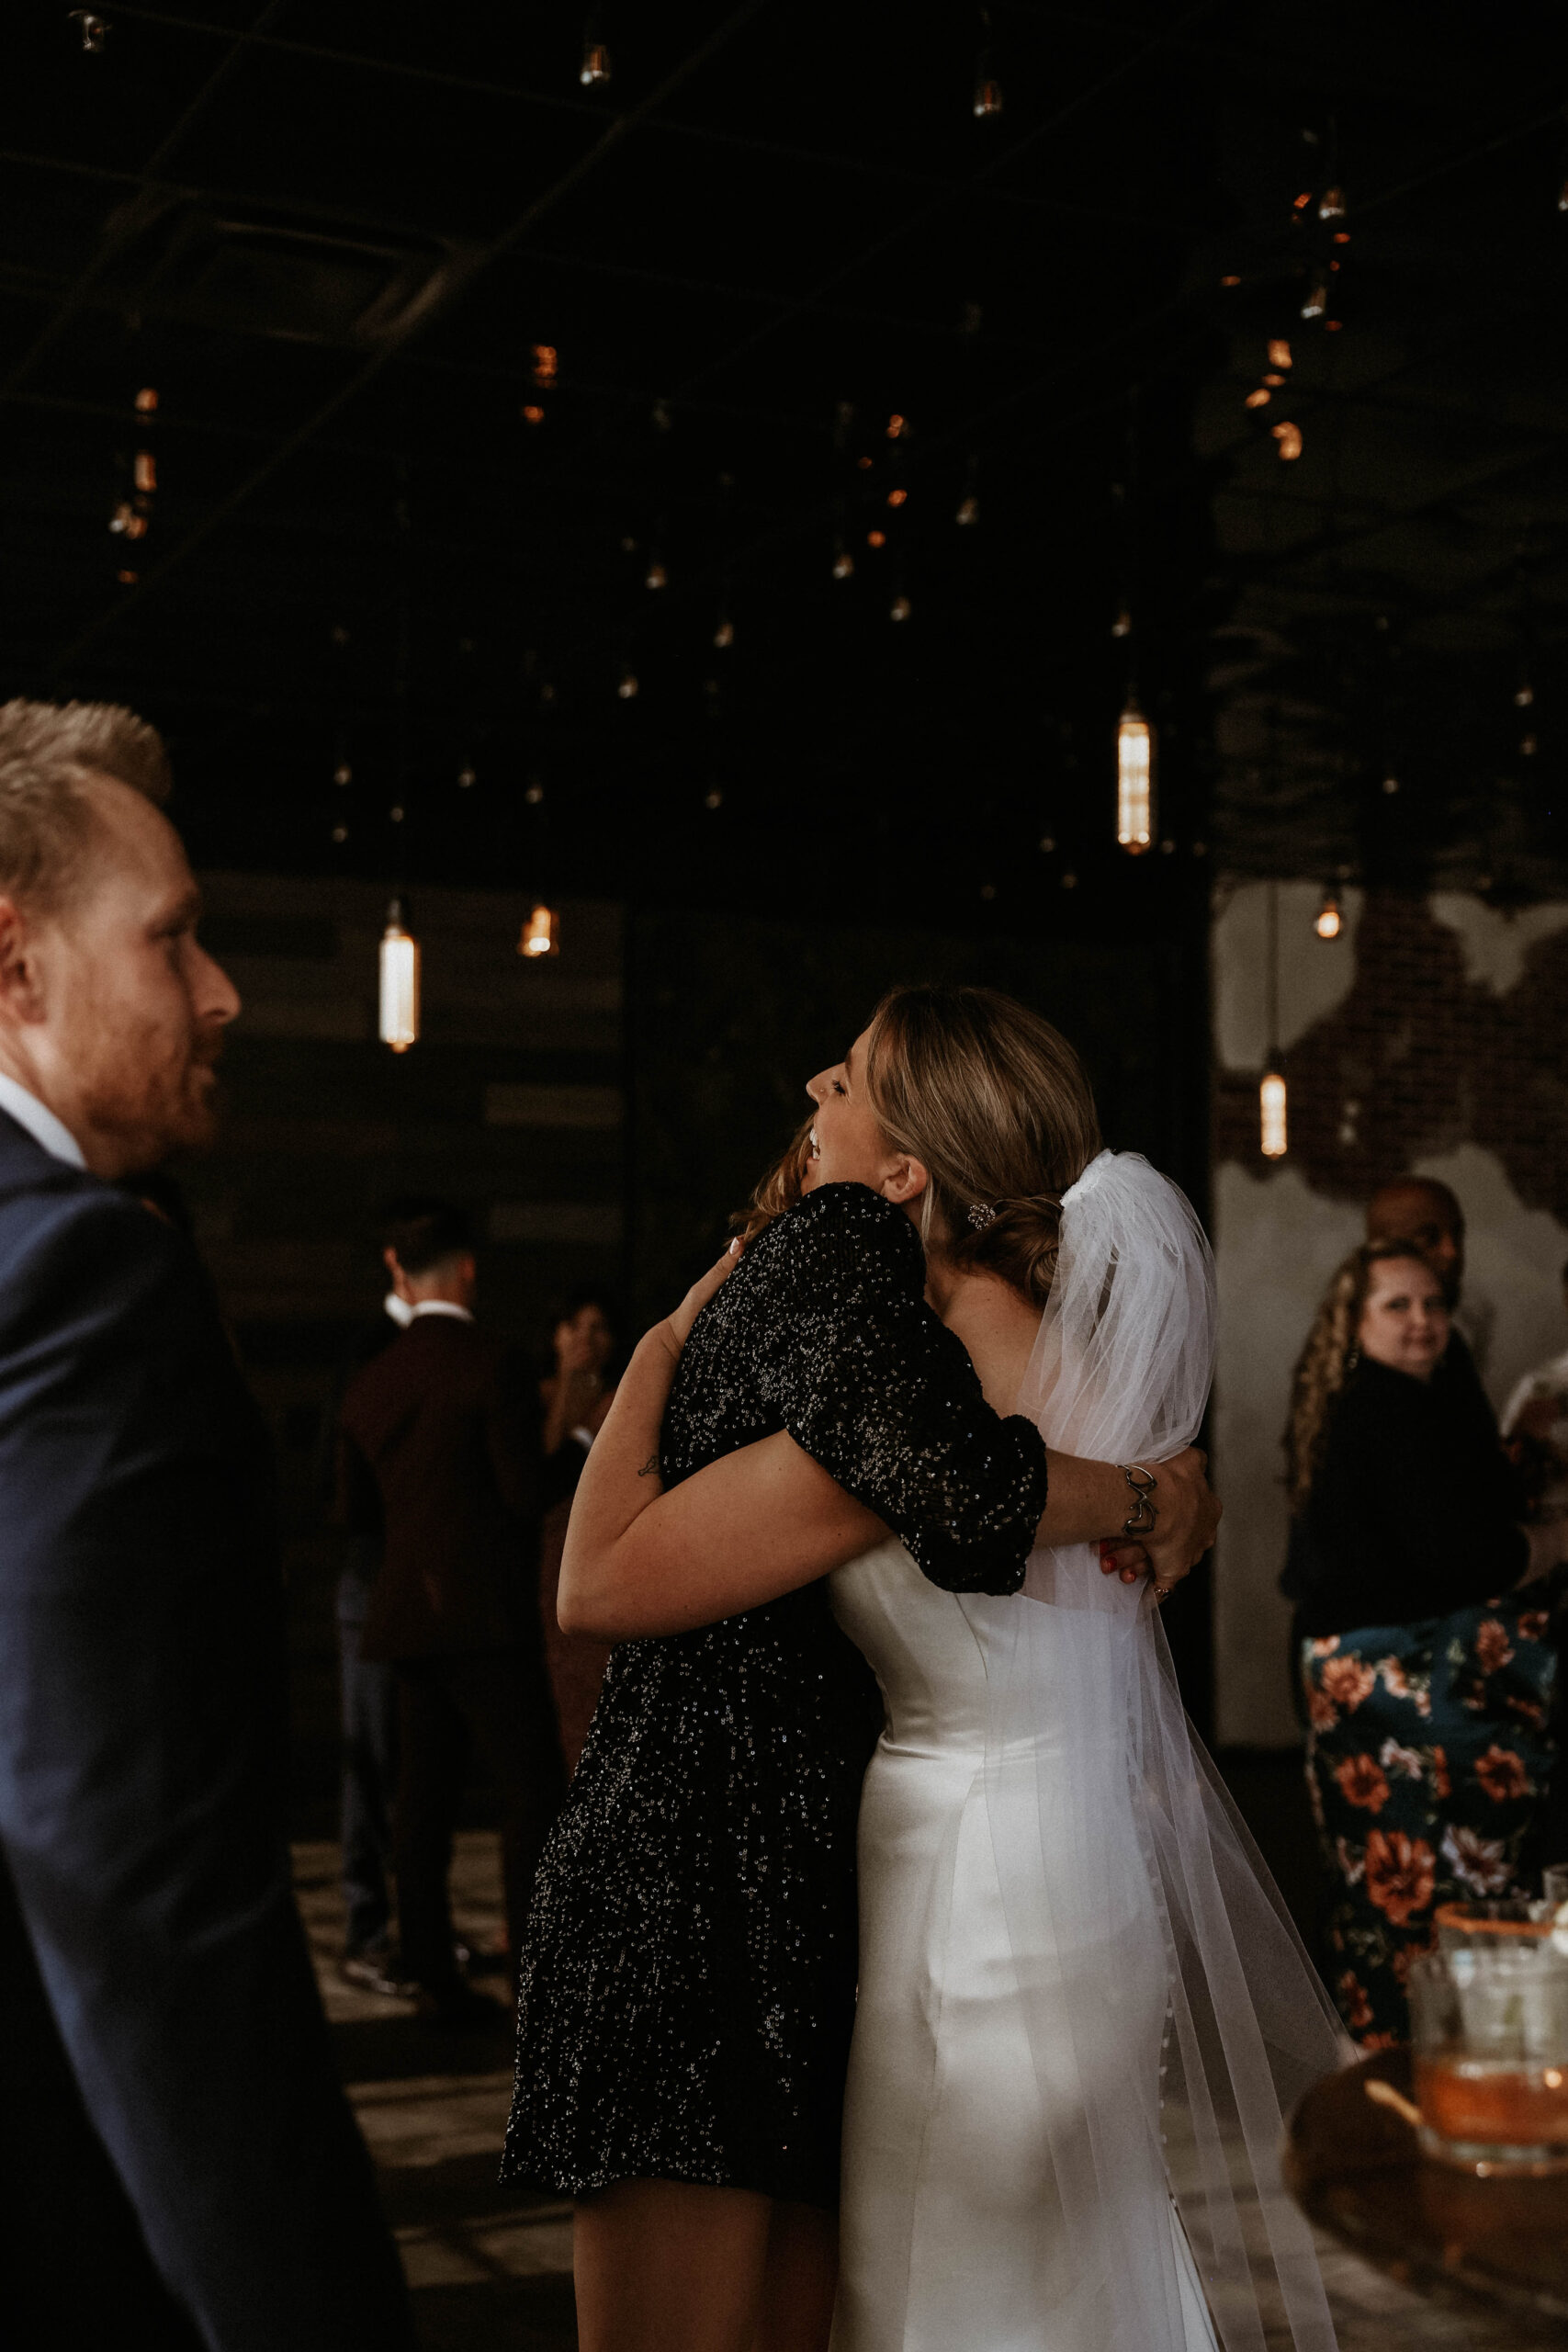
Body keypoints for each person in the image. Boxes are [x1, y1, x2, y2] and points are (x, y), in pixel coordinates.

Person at [503, 987, 1240, 2352]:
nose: (810, 1095)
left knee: (941, 2299)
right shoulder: (1085, 1356)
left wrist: (667, 1338)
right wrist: (1154, 1495)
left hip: (969, 1896)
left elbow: (599, 1580)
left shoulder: (898, 1386)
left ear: (906, 1170)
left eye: (841, 1084)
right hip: (1081, 1879)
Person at [0, 697, 413, 2348]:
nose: (221, 987)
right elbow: (120, 1858)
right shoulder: (79, 1276)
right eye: (172, 938)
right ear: (17, 965)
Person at [1282, 1241, 1551, 2045]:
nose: (1421, 1321)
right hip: (1385, 1682)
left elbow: (1477, 1507)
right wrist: (1553, 1543)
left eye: (1433, 1304)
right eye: (1396, 1305)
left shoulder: (1425, 1396)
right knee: (1399, 1886)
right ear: (1353, 1320)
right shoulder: (1377, 1404)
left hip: (1408, 1676)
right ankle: (1397, 2073)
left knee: (1420, 1881)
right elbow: (1462, 1557)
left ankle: (1434, 2059)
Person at [337, 1200, 564, 2020]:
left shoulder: (374, 1378)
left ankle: (431, 1969)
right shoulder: (490, 1362)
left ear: (406, 1270)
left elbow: (353, 1511)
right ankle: (538, 1971)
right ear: (467, 1268)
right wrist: (571, 1451)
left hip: (404, 1610)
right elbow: (522, 1494)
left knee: (420, 1801)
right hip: (483, 1613)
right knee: (531, 1789)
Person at [321, 1243, 413, 1995]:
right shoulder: (372, 1355)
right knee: (371, 1755)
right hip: (373, 1575)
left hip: (409, 1583)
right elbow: (340, 1477)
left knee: (408, 1760)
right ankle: (366, 1929)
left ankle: (410, 1928)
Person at [537, 1289, 618, 1772]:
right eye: (575, 1326)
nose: (586, 1339)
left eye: (599, 1328)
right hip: (548, 1551)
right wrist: (569, 1384)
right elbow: (542, 1469)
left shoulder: (621, 1397)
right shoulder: (541, 1394)